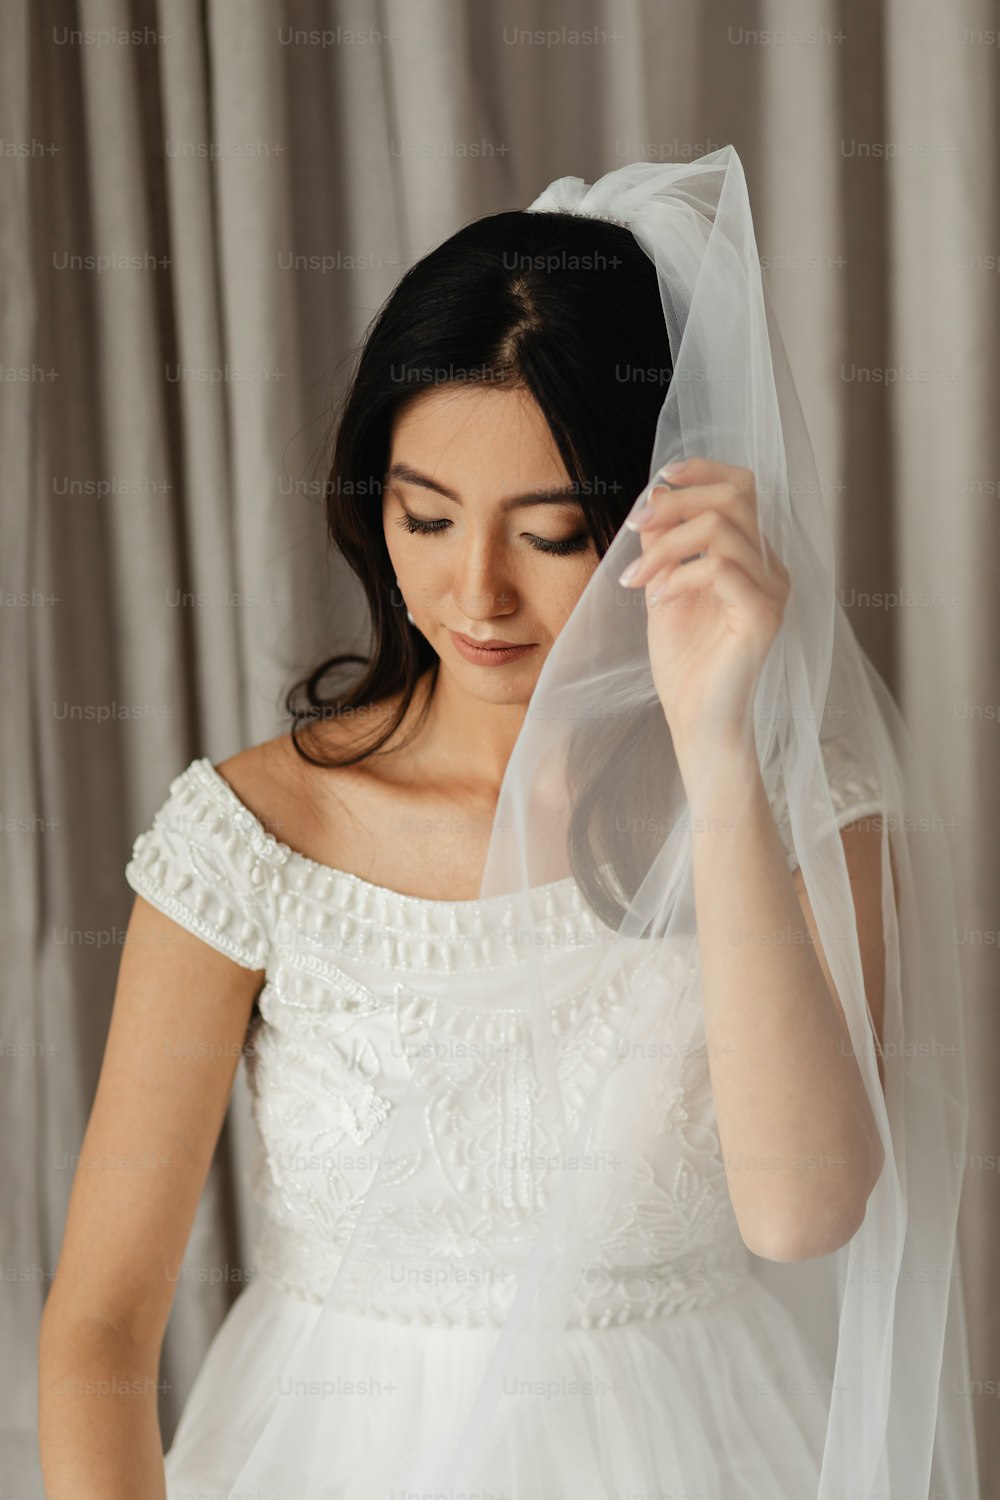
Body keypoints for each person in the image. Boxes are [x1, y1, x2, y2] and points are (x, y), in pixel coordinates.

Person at [38, 152, 980, 1500]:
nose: (472, 592)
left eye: (549, 534)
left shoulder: (797, 806)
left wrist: (718, 753)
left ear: (666, 517)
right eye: (424, 517)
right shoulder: (250, 836)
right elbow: (100, 1330)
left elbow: (801, 1211)